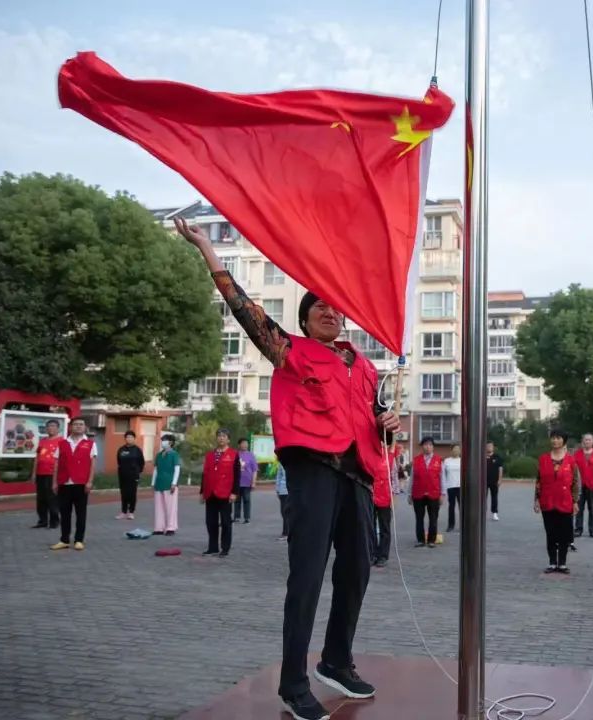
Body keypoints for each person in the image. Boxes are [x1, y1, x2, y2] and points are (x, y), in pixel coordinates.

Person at [175, 219, 398, 720]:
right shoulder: (291, 352)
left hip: (358, 477)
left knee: (358, 569)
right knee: (308, 575)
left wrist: (388, 424)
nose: (330, 312)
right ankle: (294, 684)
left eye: (336, 308)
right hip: (314, 473)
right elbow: (247, 313)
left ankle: (336, 661)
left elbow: (377, 423)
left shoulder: (364, 367)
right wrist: (209, 250)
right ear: (305, 319)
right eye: (320, 307)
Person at [534, 429, 579, 574]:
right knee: (551, 533)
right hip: (547, 501)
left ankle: (562, 563)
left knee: (564, 534)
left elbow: (575, 482)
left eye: (558, 438)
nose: (555, 440)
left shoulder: (571, 460)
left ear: (564, 441)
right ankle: (552, 562)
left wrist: (575, 501)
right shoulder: (543, 459)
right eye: (553, 438)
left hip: (565, 501)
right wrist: (536, 499)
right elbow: (538, 481)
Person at [51, 418, 97, 551]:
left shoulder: (90, 444)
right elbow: (56, 464)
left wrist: (90, 481)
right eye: (75, 424)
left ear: (85, 427)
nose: (78, 426)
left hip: (81, 483)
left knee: (81, 514)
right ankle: (64, 540)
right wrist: (54, 482)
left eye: (81, 424)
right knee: (64, 513)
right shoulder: (62, 443)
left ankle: (79, 540)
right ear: (70, 427)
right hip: (64, 482)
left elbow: (92, 464)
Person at [201, 428, 240, 558]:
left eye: (224, 436)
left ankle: (225, 548)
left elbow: (237, 475)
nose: (221, 438)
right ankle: (213, 548)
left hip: (225, 493)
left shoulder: (234, 454)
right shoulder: (210, 455)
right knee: (210, 522)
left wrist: (234, 492)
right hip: (210, 493)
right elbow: (205, 474)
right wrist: (202, 492)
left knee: (225, 522)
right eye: (219, 436)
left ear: (228, 439)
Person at [409, 437, 443, 548]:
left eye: (430, 445)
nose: (428, 447)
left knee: (433, 518)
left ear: (433, 447)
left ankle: (431, 540)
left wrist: (442, 494)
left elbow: (442, 478)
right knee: (419, 518)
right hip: (418, 493)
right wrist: (409, 494)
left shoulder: (438, 460)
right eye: (425, 445)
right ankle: (420, 540)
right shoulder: (416, 460)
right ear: (422, 446)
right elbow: (412, 478)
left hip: (434, 493)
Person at [29, 419, 63, 530]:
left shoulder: (62, 441)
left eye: (53, 426)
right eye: (48, 426)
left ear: (58, 428)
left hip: (53, 474)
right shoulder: (42, 441)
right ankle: (42, 521)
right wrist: (34, 473)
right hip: (40, 473)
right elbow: (37, 457)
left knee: (52, 498)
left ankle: (54, 522)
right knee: (41, 498)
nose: (50, 428)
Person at [573, 433, 593, 539]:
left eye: (589, 440)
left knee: (592, 508)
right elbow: (573, 470)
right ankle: (578, 529)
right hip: (580, 486)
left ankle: (592, 530)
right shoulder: (577, 454)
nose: (587, 441)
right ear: (583, 441)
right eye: (586, 439)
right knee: (579, 509)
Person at [151, 434, 181, 536]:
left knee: (171, 507)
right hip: (159, 483)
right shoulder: (159, 455)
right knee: (159, 507)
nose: (163, 442)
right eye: (162, 440)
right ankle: (159, 528)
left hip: (169, 484)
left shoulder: (174, 454)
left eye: (165, 440)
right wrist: (153, 483)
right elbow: (156, 469)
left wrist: (174, 483)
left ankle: (171, 527)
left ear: (171, 443)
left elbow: (177, 469)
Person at [116, 430, 145, 520]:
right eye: (127, 437)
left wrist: (138, 472)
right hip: (123, 475)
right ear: (125, 439)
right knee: (124, 493)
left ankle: (131, 512)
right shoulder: (121, 449)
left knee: (132, 493)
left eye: (131, 437)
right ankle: (123, 512)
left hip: (133, 475)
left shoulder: (137, 450)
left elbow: (141, 462)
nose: (129, 439)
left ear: (134, 439)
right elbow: (119, 461)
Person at [372, 446, 393, 567]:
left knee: (384, 527)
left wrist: (394, 495)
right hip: (370, 495)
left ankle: (383, 555)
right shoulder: (369, 454)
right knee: (371, 526)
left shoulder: (389, 456)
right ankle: (373, 553)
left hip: (385, 497)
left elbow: (394, 477)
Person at [235, 438, 259, 524]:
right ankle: (237, 517)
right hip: (237, 482)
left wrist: (253, 482)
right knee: (236, 500)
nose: (245, 445)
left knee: (247, 500)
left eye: (246, 443)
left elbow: (255, 470)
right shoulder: (235, 455)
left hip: (247, 482)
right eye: (243, 443)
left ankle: (247, 517)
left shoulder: (251, 455)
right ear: (239, 445)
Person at [443, 444, 462, 533]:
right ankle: (451, 525)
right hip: (450, 486)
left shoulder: (462, 460)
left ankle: (463, 525)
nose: (456, 450)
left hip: (461, 487)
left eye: (458, 449)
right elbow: (443, 475)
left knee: (462, 507)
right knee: (451, 506)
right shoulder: (447, 461)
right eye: (454, 449)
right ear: (451, 450)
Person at [485, 442, 503, 521]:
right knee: (483, 498)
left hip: (494, 481)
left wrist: (500, 479)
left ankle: (494, 513)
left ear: (493, 447)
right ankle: (483, 512)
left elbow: (500, 469)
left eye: (490, 446)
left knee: (494, 497)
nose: (489, 447)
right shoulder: (482, 456)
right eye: (488, 446)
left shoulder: (497, 457)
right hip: (484, 481)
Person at [275, 457, 289, 541]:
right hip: (283, 490)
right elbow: (279, 476)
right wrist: (277, 489)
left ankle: (287, 532)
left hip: (293, 490)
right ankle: (286, 532)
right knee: (284, 512)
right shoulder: (282, 462)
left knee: (291, 512)